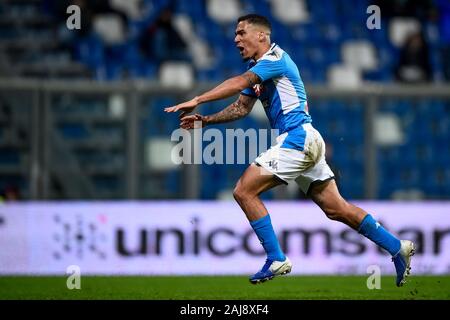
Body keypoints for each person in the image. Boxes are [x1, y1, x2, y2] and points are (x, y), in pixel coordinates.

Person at [165, 14, 415, 286]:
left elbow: (238, 82)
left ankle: (276, 257)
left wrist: (198, 99)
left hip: (297, 138)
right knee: (336, 209)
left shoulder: (275, 60)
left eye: (241, 33)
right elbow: (241, 107)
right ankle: (396, 246)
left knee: (244, 190)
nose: (236, 39)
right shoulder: (259, 68)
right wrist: (207, 120)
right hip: (307, 140)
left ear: (261, 35)